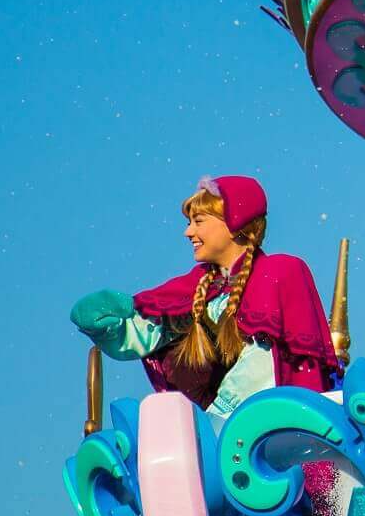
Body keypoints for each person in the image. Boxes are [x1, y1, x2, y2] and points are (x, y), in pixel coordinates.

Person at [70, 175, 339, 418]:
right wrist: (109, 321)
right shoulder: (197, 286)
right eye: (189, 223)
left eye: (198, 221)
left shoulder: (278, 272)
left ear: (236, 222)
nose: (188, 232)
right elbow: (150, 333)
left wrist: (216, 421)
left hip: (271, 432)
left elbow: (264, 361)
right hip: (221, 443)